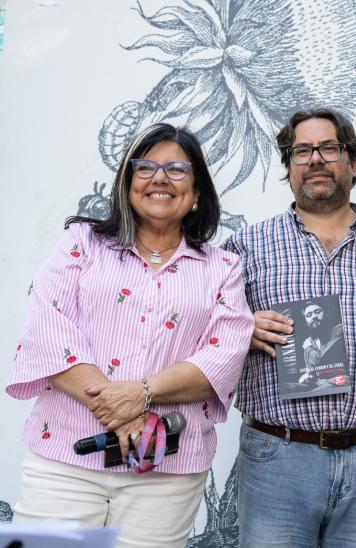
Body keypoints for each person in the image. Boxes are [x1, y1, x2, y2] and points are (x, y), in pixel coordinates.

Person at [6, 123, 255, 547]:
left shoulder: (223, 268)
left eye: (177, 169)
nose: (160, 178)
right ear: (127, 184)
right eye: (145, 167)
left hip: (166, 468)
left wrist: (140, 393)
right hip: (66, 456)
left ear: (197, 193)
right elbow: (49, 332)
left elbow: (223, 355)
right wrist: (123, 409)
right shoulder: (81, 244)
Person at [222, 107, 356, 547]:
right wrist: (239, 328)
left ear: (353, 163)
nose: (315, 159)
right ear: (288, 167)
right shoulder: (245, 246)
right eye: (302, 151)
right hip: (278, 459)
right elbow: (200, 329)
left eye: (329, 148)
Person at [299, 300, 345, 386]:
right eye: (308, 315)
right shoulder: (310, 341)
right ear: (306, 323)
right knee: (288, 386)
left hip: (339, 380)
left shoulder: (339, 329)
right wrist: (307, 375)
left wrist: (308, 348)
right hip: (318, 383)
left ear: (326, 313)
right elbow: (311, 370)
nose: (314, 317)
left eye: (317, 312)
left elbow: (322, 359)